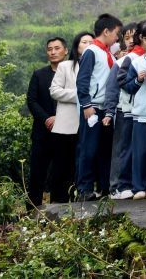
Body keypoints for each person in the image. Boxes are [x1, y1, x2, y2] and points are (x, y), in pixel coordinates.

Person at [75, 13, 122, 199]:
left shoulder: (107, 53)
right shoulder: (91, 51)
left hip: (106, 108)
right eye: (116, 33)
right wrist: (86, 104)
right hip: (92, 107)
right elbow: (83, 80)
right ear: (106, 31)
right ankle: (84, 189)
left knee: (104, 149)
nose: (117, 37)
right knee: (89, 148)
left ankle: (104, 187)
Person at [49, 31, 91, 203]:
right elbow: (55, 90)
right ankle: (58, 201)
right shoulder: (65, 66)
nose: (87, 45)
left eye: (91, 42)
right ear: (76, 46)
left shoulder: (98, 64)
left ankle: (80, 196)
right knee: (62, 165)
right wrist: (80, 95)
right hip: (66, 124)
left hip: (88, 122)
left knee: (81, 162)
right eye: (84, 42)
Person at [26, 37, 68, 206]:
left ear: (65, 51)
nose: (53, 52)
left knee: (62, 173)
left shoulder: (72, 73)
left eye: (57, 48)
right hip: (42, 132)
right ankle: (32, 210)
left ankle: (61, 210)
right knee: (36, 173)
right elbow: (31, 101)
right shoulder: (39, 74)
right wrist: (46, 118)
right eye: (50, 49)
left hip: (65, 131)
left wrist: (59, 117)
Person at [122, 21, 146, 199]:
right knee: (140, 152)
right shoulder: (136, 62)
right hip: (140, 113)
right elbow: (128, 87)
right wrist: (138, 80)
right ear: (141, 39)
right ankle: (138, 187)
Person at [105, 23, 139, 199]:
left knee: (136, 149)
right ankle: (116, 186)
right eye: (127, 37)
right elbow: (111, 89)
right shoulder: (120, 62)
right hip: (123, 110)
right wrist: (109, 112)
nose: (131, 40)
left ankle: (132, 184)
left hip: (142, 112)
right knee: (121, 148)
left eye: (134, 36)